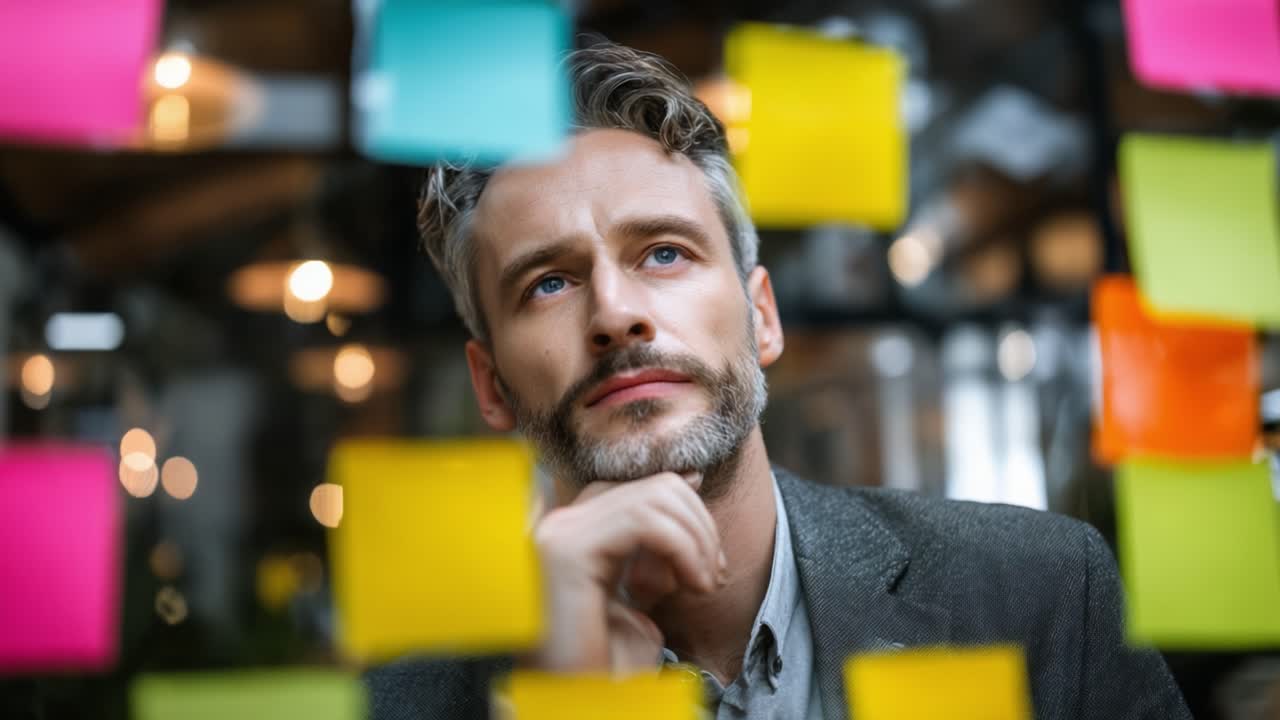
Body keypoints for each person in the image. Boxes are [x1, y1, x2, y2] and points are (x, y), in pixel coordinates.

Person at [366, 41, 1191, 720]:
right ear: (493, 386)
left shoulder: (1039, 594)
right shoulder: (405, 707)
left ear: (762, 317)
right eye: (547, 282)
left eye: (664, 252)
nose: (615, 314)